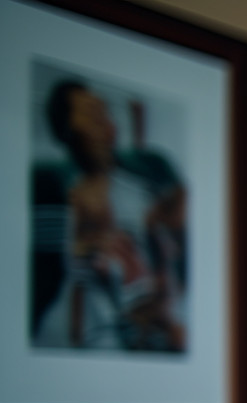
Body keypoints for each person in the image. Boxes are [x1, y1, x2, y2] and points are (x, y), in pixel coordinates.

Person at [32, 78, 187, 352]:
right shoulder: (64, 191)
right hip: (100, 318)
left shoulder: (146, 180)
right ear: (67, 131)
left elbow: (173, 245)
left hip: (147, 310)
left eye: (104, 112)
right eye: (92, 116)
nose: (105, 124)